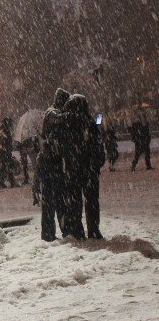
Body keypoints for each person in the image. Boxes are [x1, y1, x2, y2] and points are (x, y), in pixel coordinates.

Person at [38, 88, 70, 241]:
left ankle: (59, 231)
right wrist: (72, 114)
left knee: (57, 200)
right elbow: (60, 119)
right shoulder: (52, 112)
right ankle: (49, 234)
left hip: (53, 162)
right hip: (49, 163)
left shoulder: (53, 112)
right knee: (51, 201)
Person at [61, 95, 88, 241]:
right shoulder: (82, 120)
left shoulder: (67, 120)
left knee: (74, 199)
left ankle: (75, 229)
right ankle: (80, 229)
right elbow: (96, 126)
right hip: (78, 166)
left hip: (72, 167)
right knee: (79, 200)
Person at [83, 111, 106, 239]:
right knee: (92, 200)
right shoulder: (94, 128)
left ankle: (91, 228)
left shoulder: (79, 128)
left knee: (89, 200)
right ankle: (93, 228)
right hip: (91, 169)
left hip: (84, 169)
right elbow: (99, 148)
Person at [0, 118, 17, 189]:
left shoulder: (5, 131)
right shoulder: (3, 132)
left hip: (6, 151)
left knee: (6, 167)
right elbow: (3, 142)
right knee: (5, 167)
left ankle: (9, 182)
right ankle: (6, 182)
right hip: (4, 152)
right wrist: (8, 148)